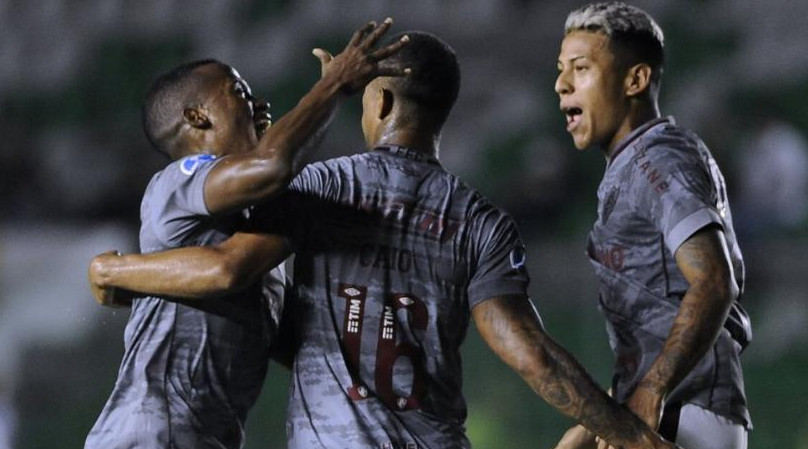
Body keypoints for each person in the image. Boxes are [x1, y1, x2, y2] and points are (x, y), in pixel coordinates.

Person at [88, 31, 680, 449]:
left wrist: (116, 271)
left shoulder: (318, 191)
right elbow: (528, 351)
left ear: (383, 101)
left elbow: (233, 267)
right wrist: (626, 432)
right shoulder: (483, 223)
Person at [85, 19, 410, 449]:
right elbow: (267, 176)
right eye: (238, 92)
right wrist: (336, 86)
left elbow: (309, 348)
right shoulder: (177, 185)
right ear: (197, 116)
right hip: (147, 433)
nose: (258, 103)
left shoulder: (262, 262)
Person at [551, 3, 752, 449]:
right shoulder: (631, 166)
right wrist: (604, 414)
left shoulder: (658, 159)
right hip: (666, 406)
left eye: (581, 68)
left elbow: (714, 281)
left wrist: (650, 391)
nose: (561, 84)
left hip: (684, 411)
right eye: (562, 69)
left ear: (635, 80)